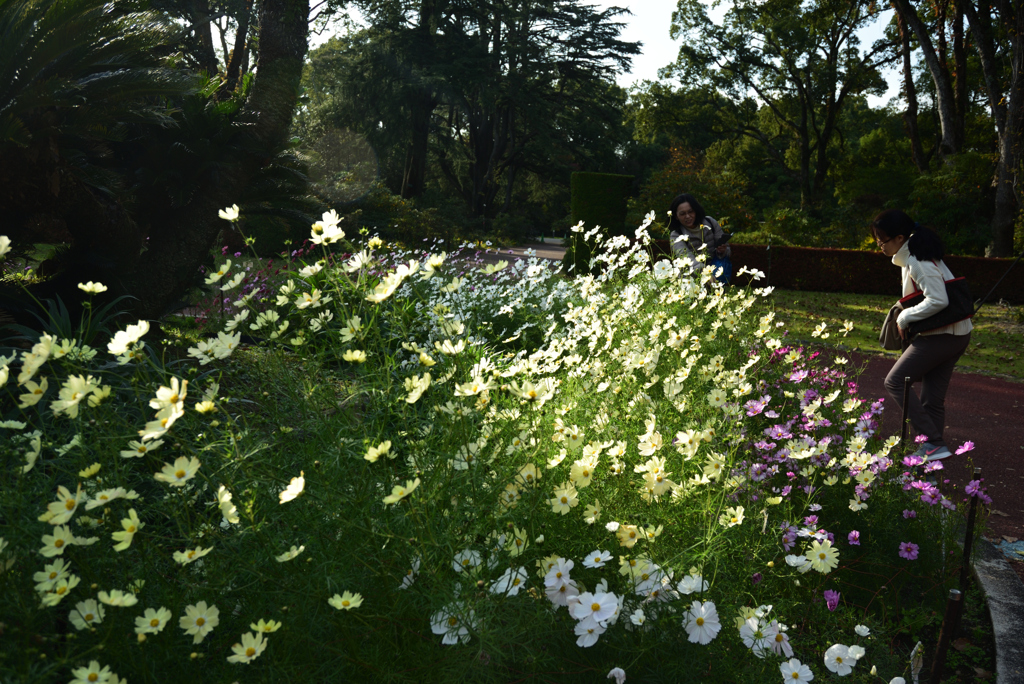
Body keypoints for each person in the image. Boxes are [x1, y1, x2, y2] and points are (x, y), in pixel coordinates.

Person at [873, 209, 972, 461]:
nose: (879, 245)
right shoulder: (914, 256)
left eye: (882, 239)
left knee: (894, 382)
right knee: (932, 400)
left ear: (899, 238)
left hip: (942, 336)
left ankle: (932, 442)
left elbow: (938, 299)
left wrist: (905, 317)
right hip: (955, 335)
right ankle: (930, 459)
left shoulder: (918, 261)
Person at [667, 193, 731, 283]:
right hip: (691, 280)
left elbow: (727, 249)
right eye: (682, 214)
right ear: (676, 216)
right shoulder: (676, 235)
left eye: (690, 211)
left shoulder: (710, 222)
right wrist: (706, 273)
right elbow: (688, 259)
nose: (688, 216)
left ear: (696, 210)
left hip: (715, 275)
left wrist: (723, 251)